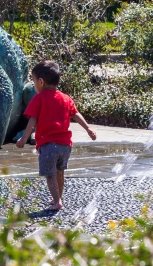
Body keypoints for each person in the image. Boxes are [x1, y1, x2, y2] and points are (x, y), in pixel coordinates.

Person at [16, 60, 96, 211]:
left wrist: (24, 138)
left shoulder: (38, 99)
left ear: (41, 81)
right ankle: (58, 198)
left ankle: (57, 201)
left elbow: (32, 120)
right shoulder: (65, 98)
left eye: (33, 81)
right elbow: (76, 114)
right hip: (65, 145)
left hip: (48, 145)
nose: (33, 84)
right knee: (60, 172)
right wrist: (88, 129)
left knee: (50, 174)